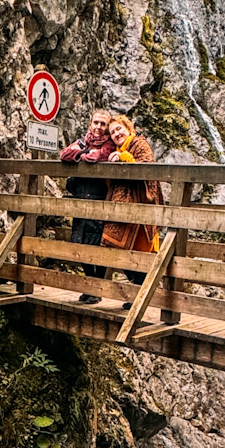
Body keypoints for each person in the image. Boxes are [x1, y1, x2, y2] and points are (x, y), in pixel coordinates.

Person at [101, 115, 163, 307]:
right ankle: (138, 293)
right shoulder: (117, 151)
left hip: (141, 210)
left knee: (141, 254)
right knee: (120, 251)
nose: (117, 134)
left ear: (128, 128)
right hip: (123, 211)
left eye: (119, 129)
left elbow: (147, 168)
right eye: (112, 132)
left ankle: (142, 298)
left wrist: (125, 158)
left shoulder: (139, 144)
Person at [60, 109, 116, 302]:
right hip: (81, 200)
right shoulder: (84, 141)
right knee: (81, 245)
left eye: (103, 124)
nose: (99, 127)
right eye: (96, 123)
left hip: (100, 201)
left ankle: (97, 289)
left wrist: (85, 156)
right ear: (90, 124)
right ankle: (89, 286)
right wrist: (84, 152)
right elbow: (65, 154)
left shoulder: (110, 145)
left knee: (98, 247)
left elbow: (100, 156)